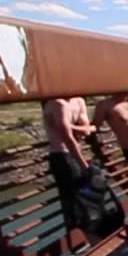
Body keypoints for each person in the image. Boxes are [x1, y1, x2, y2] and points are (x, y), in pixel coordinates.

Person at [42, 96, 96, 241]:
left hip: (73, 155)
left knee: (83, 196)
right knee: (75, 199)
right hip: (62, 156)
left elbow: (87, 131)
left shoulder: (78, 101)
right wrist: (83, 164)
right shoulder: (57, 103)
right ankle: (87, 240)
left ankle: (89, 238)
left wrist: (71, 127)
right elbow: (68, 137)